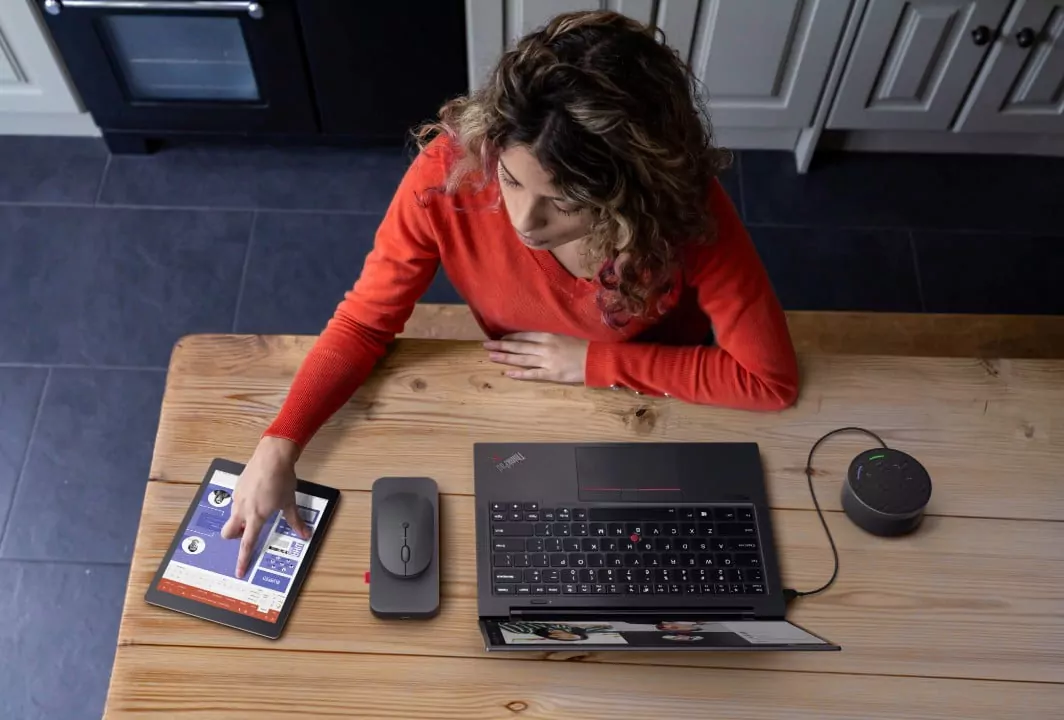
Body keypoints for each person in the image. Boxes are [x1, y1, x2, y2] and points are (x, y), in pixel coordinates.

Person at [220, 10, 799, 578]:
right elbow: (363, 324)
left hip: (662, 394)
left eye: (565, 202)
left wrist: (595, 362)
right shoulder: (449, 171)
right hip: (524, 389)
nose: (524, 220)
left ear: (633, 196)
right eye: (512, 179)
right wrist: (279, 444)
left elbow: (769, 382)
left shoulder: (684, 213)